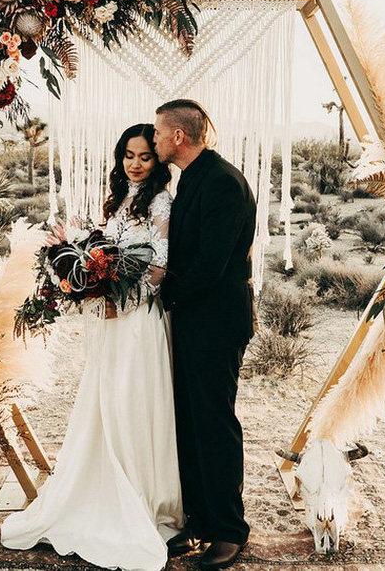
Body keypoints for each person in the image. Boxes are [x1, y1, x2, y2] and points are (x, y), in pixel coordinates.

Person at [0, 123, 184, 571]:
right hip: (109, 319)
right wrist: (84, 279)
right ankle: (95, 483)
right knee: (105, 398)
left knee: (131, 399)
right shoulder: (122, 198)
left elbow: (160, 264)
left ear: (157, 160)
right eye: (128, 155)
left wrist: (128, 303)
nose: (135, 164)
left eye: (144, 156)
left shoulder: (161, 201)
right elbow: (110, 253)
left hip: (137, 320)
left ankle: (139, 490)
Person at [153, 99, 257, 569]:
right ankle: (197, 518)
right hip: (194, 320)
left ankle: (229, 530)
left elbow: (210, 267)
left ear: (178, 136)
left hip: (216, 322)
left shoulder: (223, 183)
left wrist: (160, 295)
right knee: (189, 421)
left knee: (214, 423)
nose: (153, 141)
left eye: (158, 133)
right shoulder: (192, 178)